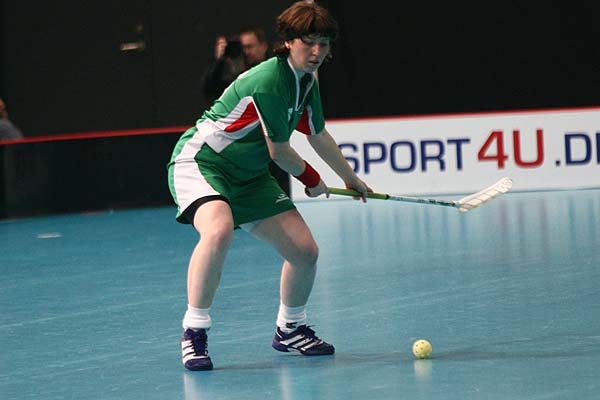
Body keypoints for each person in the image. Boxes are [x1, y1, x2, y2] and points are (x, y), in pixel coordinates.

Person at [168, 1, 371, 371]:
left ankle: (290, 328)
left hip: (249, 175)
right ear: (289, 41)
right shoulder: (270, 81)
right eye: (308, 42)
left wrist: (350, 178)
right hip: (204, 163)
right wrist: (313, 180)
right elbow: (280, 151)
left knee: (305, 252)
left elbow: (317, 134)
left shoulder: (307, 79)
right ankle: (194, 331)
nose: (316, 51)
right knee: (218, 230)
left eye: (324, 43)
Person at [202, 25, 270, 103]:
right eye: (243, 48)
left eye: (249, 47)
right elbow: (211, 93)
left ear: (264, 46)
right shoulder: (238, 77)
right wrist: (218, 61)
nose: (246, 52)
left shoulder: (274, 70)